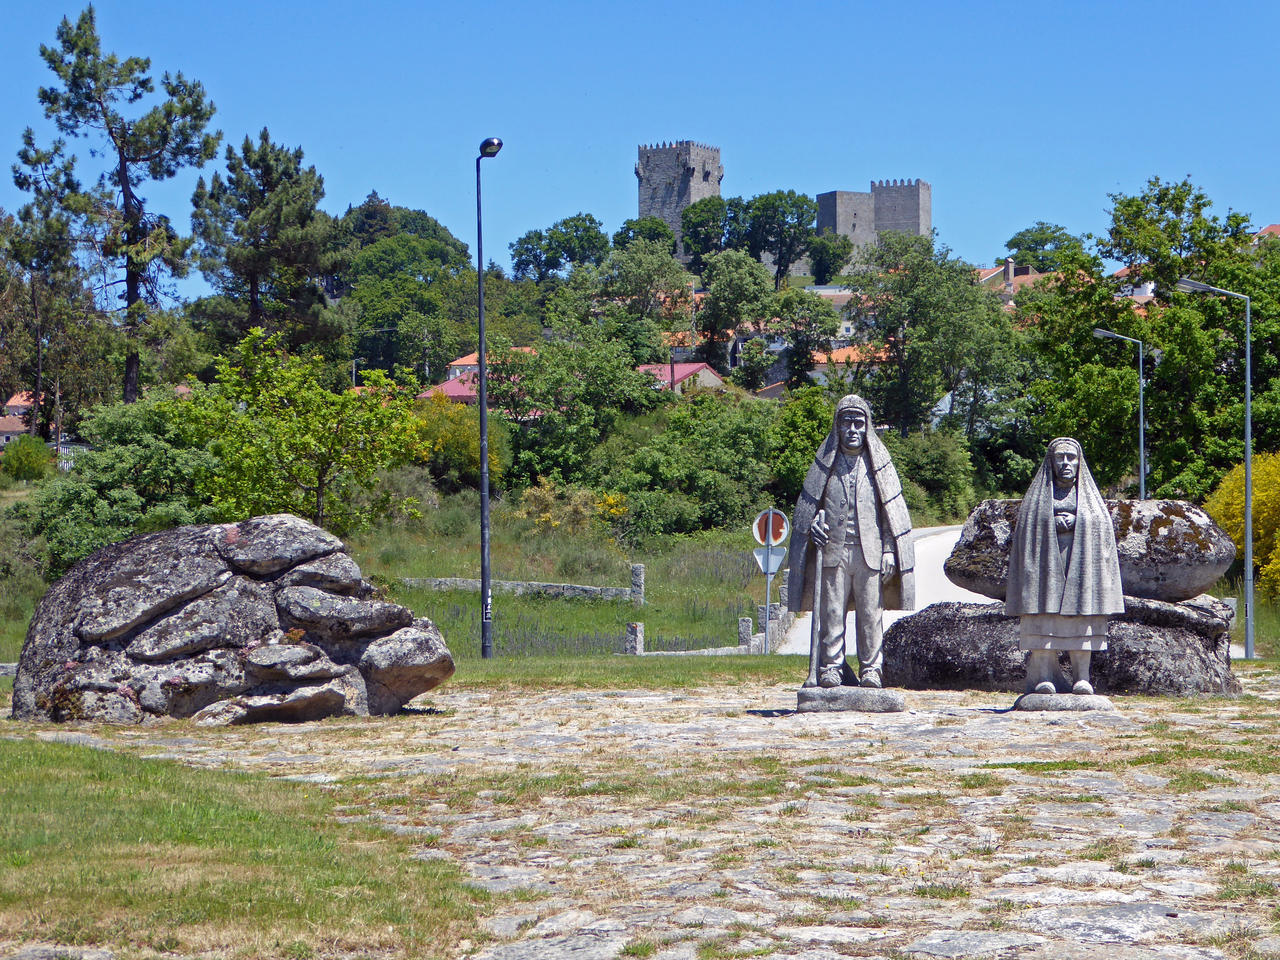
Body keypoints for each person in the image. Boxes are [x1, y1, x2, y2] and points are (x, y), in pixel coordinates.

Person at [788, 395, 914, 688]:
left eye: (859, 423)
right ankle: (831, 666)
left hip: (869, 552)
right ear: (838, 426)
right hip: (834, 551)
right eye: (847, 423)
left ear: (867, 427)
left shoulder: (876, 466)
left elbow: (889, 513)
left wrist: (888, 550)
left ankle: (871, 669)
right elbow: (812, 507)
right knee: (832, 613)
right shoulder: (827, 465)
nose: (853, 429)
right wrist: (815, 525)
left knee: (870, 615)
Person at [1006, 437, 1124, 695]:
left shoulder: (1089, 497)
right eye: (1060, 457)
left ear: (1079, 462)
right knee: (1044, 620)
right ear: (1051, 461)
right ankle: (1044, 678)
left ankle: (1082, 678)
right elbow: (1028, 525)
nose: (1066, 463)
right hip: (1045, 569)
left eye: (1071, 457)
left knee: (1081, 621)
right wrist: (1051, 521)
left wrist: (1077, 520)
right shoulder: (1037, 498)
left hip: (1081, 567)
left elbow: (1100, 524)